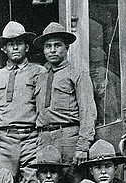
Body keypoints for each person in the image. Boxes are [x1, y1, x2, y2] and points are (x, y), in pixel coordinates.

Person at [34, 22, 96, 173]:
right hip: (44, 138)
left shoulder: (77, 74)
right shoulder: (40, 77)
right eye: (48, 46)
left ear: (67, 48)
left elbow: (87, 111)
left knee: (71, 182)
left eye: (58, 45)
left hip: (68, 137)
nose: (53, 50)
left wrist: (83, 145)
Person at [0, 21, 45, 183]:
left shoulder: (39, 72)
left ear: (26, 47)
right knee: (2, 182)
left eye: (19, 44)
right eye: (10, 44)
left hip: (31, 137)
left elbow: (43, 107)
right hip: (5, 139)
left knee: (32, 182)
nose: (15, 48)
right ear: (3, 49)